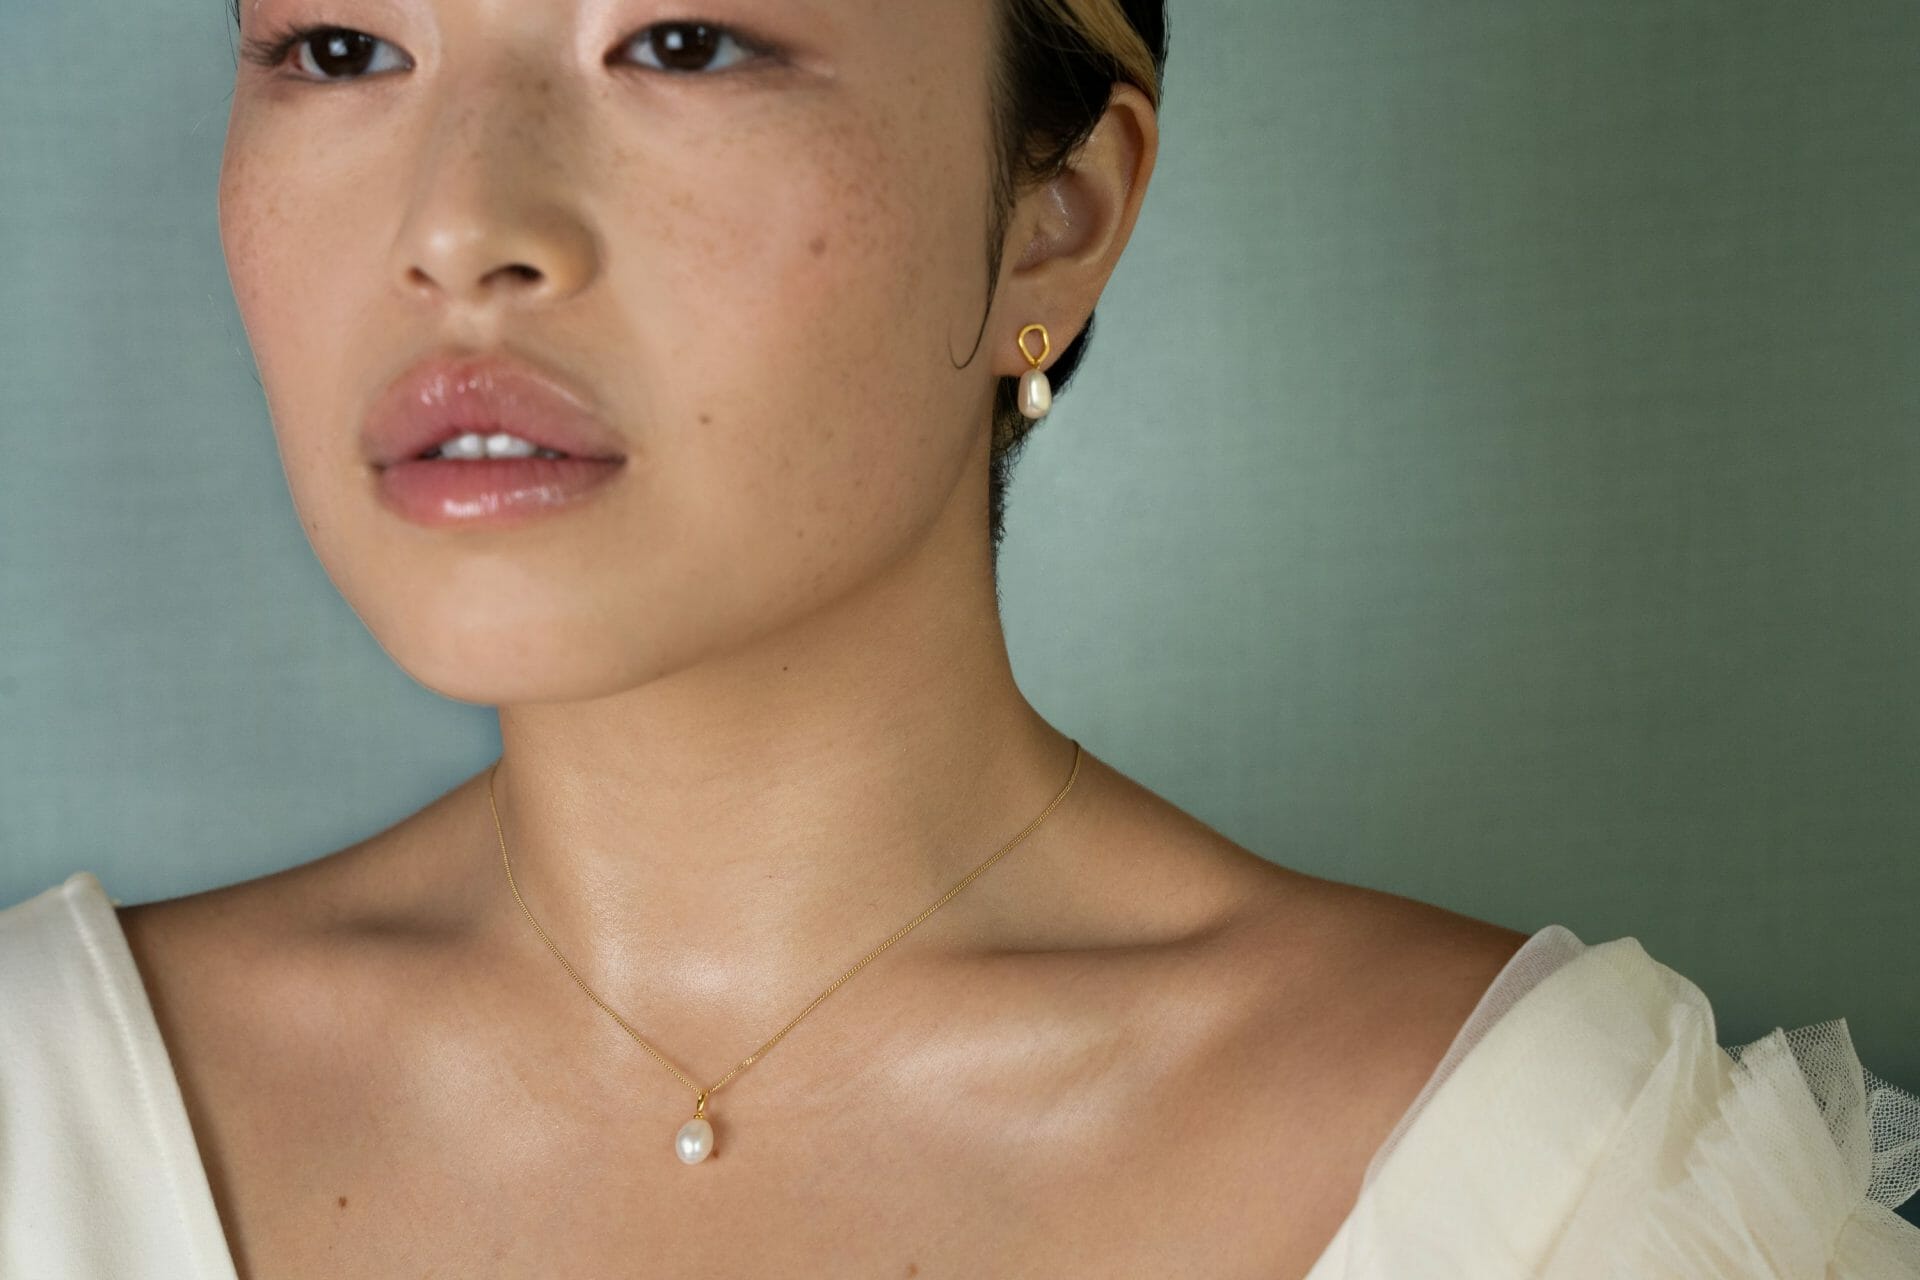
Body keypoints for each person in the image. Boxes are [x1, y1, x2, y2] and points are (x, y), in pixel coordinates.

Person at [2, 1, 1915, 1276]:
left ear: (1051, 221)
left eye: (682, 40)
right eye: (341, 46)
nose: (460, 224)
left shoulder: (1559, 1194)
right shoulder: (33, 1110)